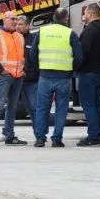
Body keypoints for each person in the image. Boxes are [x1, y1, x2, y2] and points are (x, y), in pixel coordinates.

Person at [31, 8, 83, 147]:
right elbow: (79, 57)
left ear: (53, 17)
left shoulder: (42, 31)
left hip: (45, 76)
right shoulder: (70, 33)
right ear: (66, 18)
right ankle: (57, 139)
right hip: (63, 77)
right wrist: (72, 69)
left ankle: (40, 138)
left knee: (42, 108)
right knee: (61, 108)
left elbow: (32, 53)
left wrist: (40, 68)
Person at [0, 11, 27, 146]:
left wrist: (23, 70)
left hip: (17, 76)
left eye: (16, 19)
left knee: (12, 107)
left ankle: (9, 135)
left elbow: (23, 56)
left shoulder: (19, 36)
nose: (15, 21)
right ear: (4, 20)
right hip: (4, 76)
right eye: (12, 19)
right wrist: (2, 71)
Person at [77, 3, 100, 147]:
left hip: (88, 72)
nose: (83, 16)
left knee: (89, 104)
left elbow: (83, 51)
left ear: (90, 13)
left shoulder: (90, 30)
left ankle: (93, 136)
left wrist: (76, 66)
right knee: (97, 104)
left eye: (85, 13)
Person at [17, 15, 39, 138]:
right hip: (15, 78)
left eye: (21, 24)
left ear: (28, 26)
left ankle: (39, 133)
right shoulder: (13, 39)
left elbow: (36, 59)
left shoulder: (34, 39)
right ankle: (7, 133)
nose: (18, 27)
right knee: (12, 107)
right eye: (17, 24)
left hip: (31, 80)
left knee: (33, 108)